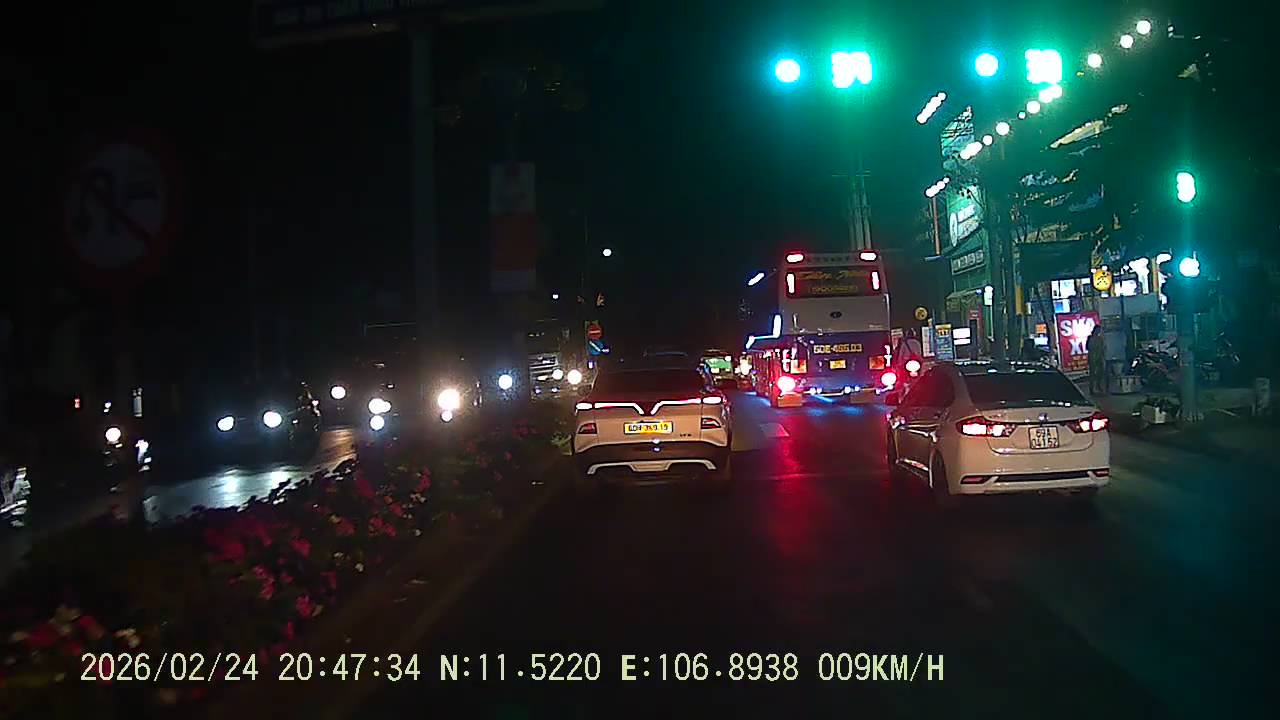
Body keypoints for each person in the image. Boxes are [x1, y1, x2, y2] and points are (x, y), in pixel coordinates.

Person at [1086, 325, 1108, 395]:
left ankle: (1098, 385)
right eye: (1098, 330)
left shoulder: (1100, 338)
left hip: (1099, 357)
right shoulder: (1090, 338)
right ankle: (1091, 388)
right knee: (1092, 373)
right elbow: (1088, 347)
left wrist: (1103, 356)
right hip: (1092, 357)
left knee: (1100, 372)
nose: (1098, 332)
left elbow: (1103, 348)